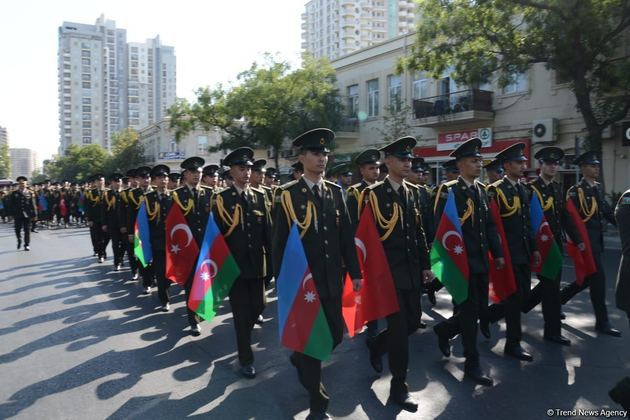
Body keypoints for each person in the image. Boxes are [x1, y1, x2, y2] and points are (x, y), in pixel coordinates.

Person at [273, 128, 361, 420]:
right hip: (302, 285)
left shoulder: (337, 193)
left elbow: (347, 238)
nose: (322, 158)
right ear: (302, 158)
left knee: (335, 335)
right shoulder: (286, 195)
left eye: (325, 153)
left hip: (332, 279)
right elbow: (279, 243)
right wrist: (281, 282)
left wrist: (356, 273)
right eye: (315, 153)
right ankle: (317, 401)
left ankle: (299, 358)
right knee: (312, 342)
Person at [362, 136, 433, 412]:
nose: (408, 164)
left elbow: (419, 232)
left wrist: (426, 264)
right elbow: (367, 238)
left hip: (413, 272)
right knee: (401, 333)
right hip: (389, 275)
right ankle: (399, 388)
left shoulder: (413, 192)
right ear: (387, 161)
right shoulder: (374, 195)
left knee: (413, 323)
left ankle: (378, 344)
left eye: (409, 160)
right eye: (402, 159)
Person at [432, 138, 503, 386]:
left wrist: (499, 253)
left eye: (480, 160)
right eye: (474, 160)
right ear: (461, 164)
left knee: (476, 311)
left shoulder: (483, 191)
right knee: (470, 313)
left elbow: (490, 226)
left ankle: (444, 330)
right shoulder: (449, 191)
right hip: (461, 264)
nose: (479, 164)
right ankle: (472, 363)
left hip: (481, 262)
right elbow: (438, 228)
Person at [212, 148, 272, 379]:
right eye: (241, 168)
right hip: (234, 266)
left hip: (258, 265)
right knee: (240, 314)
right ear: (232, 171)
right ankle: (245, 359)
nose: (246, 173)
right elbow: (216, 237)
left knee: (259, 307)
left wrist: (274, 263)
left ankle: (243, 336)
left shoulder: (260, 196)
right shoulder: (221, 199)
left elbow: (268, 232)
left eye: (249, 168)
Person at [486, 143, 540, 362]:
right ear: (507, 165)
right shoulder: (495, 190)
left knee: (520, 297)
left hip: (523, 253)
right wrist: (498, 253)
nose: (522, 166)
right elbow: (491, 226)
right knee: (513, 299)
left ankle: (476, 319)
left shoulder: (522, 189)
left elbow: (528, 224)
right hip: (506, 254)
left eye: (523, 162)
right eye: (518, 162)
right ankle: (513, 344)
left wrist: (534, 248)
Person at [523, 147, 582, 345]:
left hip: (554, 245)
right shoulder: (531, 189)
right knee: (550, 289)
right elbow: (528, 221)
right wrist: (534, 248)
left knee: (549, 287)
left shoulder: (557, 188)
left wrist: (578, 239)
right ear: (541, 165)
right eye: (549, 163)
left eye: (556, 164)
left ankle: (509, 309)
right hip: (539, 246)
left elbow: (564, 217)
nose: (553, 166)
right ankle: (552, 331)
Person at [561, 151, 621, 336]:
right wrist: (578, 241)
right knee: (598, 280)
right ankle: (602, 322)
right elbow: (570, 219)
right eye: (592, 166)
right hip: (585, 243)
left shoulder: (597, 188)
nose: (596, 168)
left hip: (596, 241)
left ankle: (557, 300)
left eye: (597, 165)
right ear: (583, 168)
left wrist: (622, 225)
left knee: (586, 279)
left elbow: (607, 212)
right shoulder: (575, 192)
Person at [172, 156, 212, 336]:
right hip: (187, 249)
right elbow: (172, 225)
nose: (197, 175)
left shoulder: (210, 193)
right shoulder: (177, 195)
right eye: (193, 172)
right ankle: (192, 320)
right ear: (186, 174)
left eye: (199, 172)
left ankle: (201, 310)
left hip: (206, 247)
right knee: (190, 285)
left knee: (204, 281)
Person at [345, 148, 381, 338]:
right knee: (369, 287)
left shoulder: (383, 189)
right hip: (364, 246)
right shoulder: (355, 192)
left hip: (381, 246)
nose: (375, 171)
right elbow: (351, 222)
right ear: (362, 170)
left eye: (377, 167)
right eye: (371, 168)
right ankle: (372, 325)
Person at [144, 165, 173, 312]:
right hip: (157, 242)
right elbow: (144, 223)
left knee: (171, 272)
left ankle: (167, 289)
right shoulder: (148, 198)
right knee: (161, 273)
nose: (164, 180)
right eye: (160, 178)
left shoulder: (174, 196)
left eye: (166, 177)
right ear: (154, 180)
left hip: (174, 243)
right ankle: (164, 299)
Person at [126, 167, 154, 293]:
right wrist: (131, 233)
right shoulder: (133, 194)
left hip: (155, 230)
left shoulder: (155, 192)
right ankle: (147, 282)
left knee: (157, 257)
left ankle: (154, 277)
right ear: (138, 179)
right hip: (140, 230)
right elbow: (130, 215)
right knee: (143, 256)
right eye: (143, 178)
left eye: (148, 177)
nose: (146, 180)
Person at [103, 173, 126, 271]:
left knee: (124, 244)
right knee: (115, 244)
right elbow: (103, 210)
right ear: (111, 183)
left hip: (124, 224)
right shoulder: (107, 194)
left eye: (119, 181)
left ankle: (120, 258)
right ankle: (117, 262)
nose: (117, 183)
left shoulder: (126, 193)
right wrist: (104, 223)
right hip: (112, 223)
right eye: (115, 181)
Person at [86, 174, 110, 263]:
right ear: (96, 182)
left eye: (102, 181)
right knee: (98, 238)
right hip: (96, 219)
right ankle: (101, 254)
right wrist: (89, 219)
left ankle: (103, 250)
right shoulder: (91, 193)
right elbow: (88, 207)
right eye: (98, 181)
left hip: (107, 219)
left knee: (107, 237)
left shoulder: (108, 192)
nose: (100, 183)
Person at [10, 176, 37, 251]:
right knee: (17, 229)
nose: (21, 184)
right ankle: (19, 239)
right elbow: (11, 204)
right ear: (18, 184)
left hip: (27, 214)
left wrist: (35, 214)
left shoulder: (30, 193)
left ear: (26, 184)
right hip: (17, 214)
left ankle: (27, 244)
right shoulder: (14, 193)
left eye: (23, 183)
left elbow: (33, 204)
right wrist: (12, 214)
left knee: (27, 230)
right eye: (20, 183)